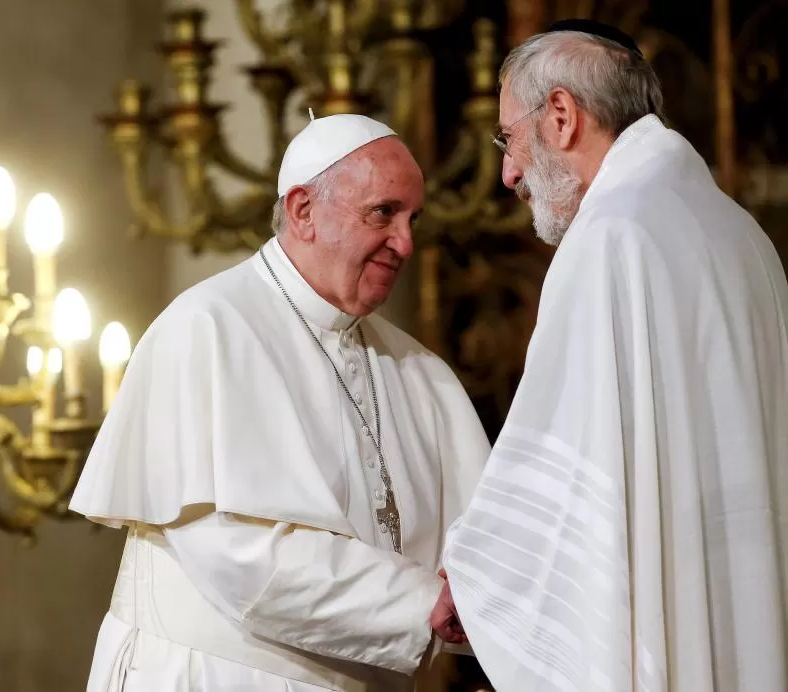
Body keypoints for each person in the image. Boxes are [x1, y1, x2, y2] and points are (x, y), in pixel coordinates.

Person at [70, 113, 491, 691]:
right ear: (302, 211)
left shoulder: (420, 372)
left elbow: (475, 545)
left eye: (412, 218)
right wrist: (424, 604)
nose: (406, 242)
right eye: (382, 213)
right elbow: (238, 554)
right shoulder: (206, 329)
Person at [434, 19, 788, 692]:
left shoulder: (612, 236)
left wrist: (479, 577)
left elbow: (570, 466)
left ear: (561, 115)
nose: (508, 172)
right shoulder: (743, 235)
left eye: (508, 137)